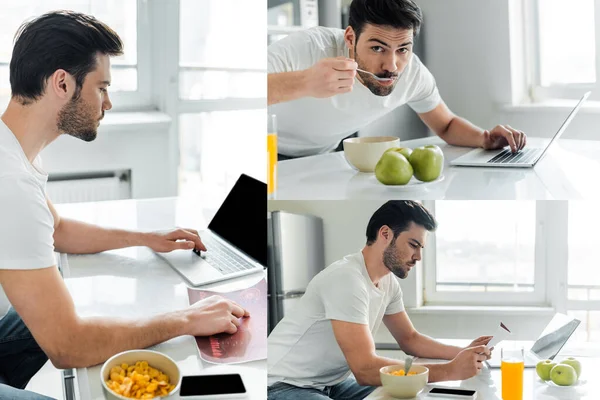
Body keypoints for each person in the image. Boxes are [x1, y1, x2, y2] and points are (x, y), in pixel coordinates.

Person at [0, 11, 247, 400]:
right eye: (102, 88)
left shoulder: (12, 149)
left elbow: (57, 229)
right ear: (62, 83)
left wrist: (146, 237)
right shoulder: (9, 180)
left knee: (62, 297)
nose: (109, 102)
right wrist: (185, 320)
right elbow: (68, 346)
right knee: (70, 333)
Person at [267, 201, 493, 400]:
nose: (418, 257)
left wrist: (462, 352)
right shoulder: (346, 279)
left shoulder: (388, 282)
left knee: (415, 394)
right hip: (281, 385)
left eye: (421, 248)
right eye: (413, 245)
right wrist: (449, 371)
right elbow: (364, 369)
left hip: (330, 385)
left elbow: (410, 339)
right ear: (385, 234)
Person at [268, 0, 527, 159]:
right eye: (378, 48)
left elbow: (446, 125)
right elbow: (234, 95)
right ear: (350, 39)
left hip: (322, 157)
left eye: (403, 49)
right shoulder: (307, 48)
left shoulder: (413, 74)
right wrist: (305, 82)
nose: (392, 66)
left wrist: (485, 138)